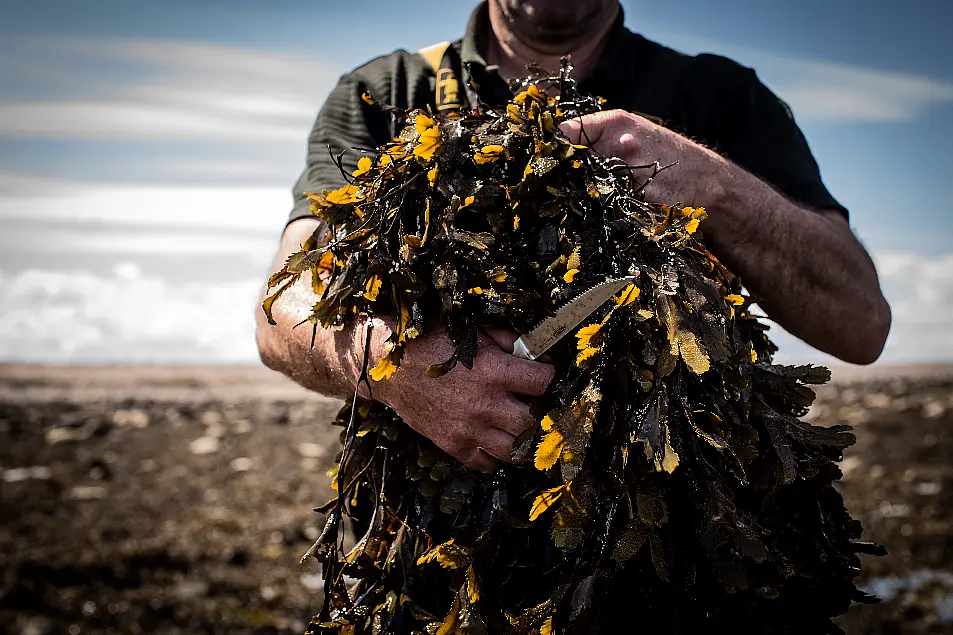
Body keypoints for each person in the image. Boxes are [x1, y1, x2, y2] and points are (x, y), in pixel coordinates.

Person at [256, 0, 891, 474]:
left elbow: (861, 325)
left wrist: (718, 185)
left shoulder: (720, 98)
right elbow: (281, 313)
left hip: (683, 545)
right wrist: (392, 365)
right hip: (429, 568)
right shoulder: (388, 92)